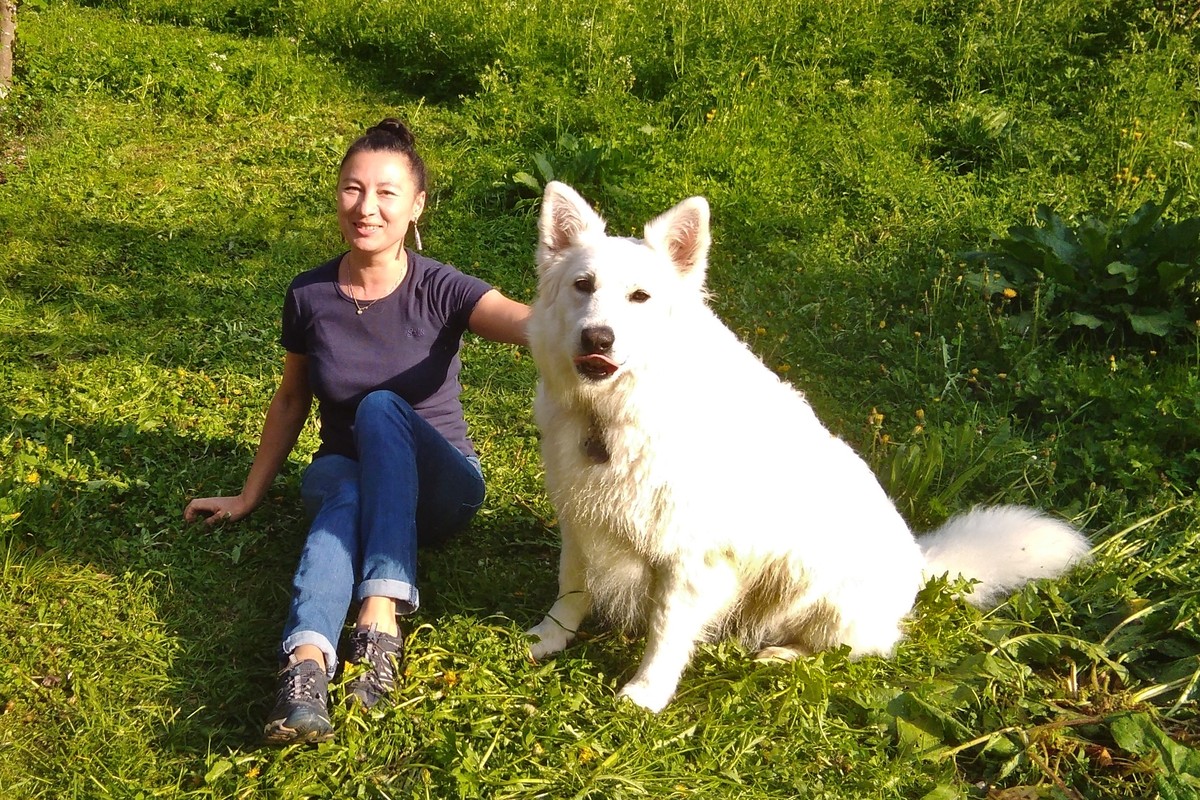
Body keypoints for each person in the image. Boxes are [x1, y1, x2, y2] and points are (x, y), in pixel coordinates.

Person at [184, 118, 529, 744]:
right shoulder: (310, 294)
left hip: (439, 488)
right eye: (352, 189)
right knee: (342, 492)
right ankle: (305, 670)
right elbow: (292, 397)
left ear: (417, 205)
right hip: (344, 469)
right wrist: (249, 493)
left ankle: (380, 611)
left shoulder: (442, 287)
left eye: (387, 192)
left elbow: (528, 323)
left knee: (378, 408)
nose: (367, 207)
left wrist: (595, 322)